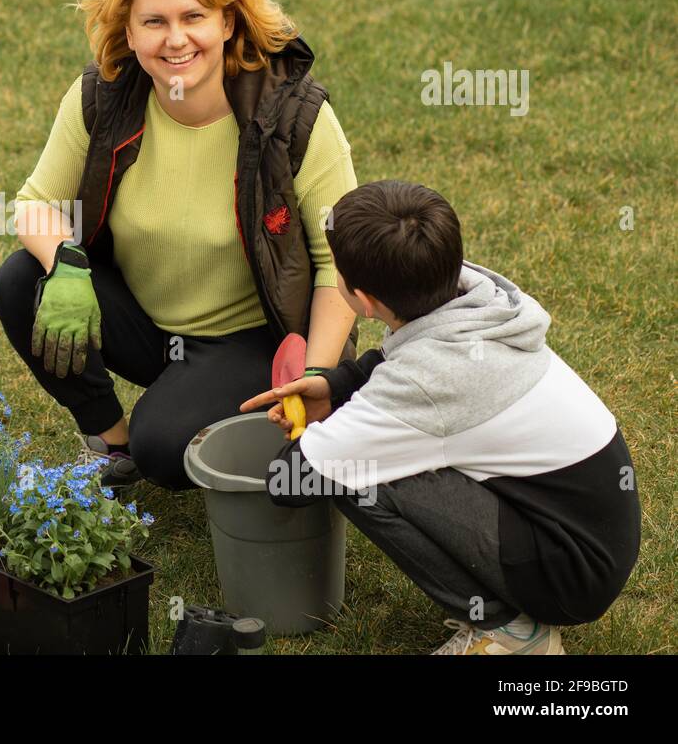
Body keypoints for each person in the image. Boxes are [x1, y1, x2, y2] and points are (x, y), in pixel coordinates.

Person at [0, 0, 358, 488]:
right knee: (23, 281)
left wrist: (313, 379)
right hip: (150, 328)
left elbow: (340, 263)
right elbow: (35, 203)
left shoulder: (293, 115)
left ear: (227, 22)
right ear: (131, 33)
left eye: (194, 17)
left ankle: (191, 429)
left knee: (165, 448)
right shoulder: (103, 95)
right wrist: (65, 261)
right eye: (154, 22)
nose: (175, 40)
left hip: (258, 340)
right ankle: (112, 445)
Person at [241, 180, 641, 655]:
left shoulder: (427, 382)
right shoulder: (478, 298)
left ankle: (513, 631)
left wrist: (325, 435)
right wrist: (338, 386)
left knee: (353, 475)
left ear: (363, 302)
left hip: (570, 574)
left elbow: (294, 480)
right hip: (587, 533)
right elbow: (410, 357)